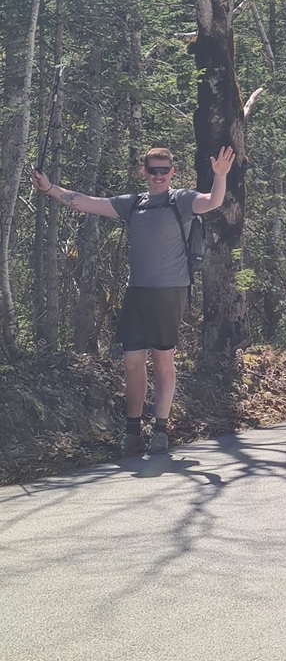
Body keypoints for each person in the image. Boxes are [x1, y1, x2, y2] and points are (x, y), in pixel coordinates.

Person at [32, 145, 234, 456]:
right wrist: (49, 188)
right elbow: (87, 203)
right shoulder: (133, 204)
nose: (157, 176)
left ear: (171, 172)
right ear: (144, 172)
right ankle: (132, 430)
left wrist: (219, 176)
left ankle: (161, 429)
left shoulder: (180, 200)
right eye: (152, 170)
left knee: (163, 361)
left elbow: (213, 202)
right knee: (132, 361)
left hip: (170, 291)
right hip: (137, 291)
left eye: (163, 170)